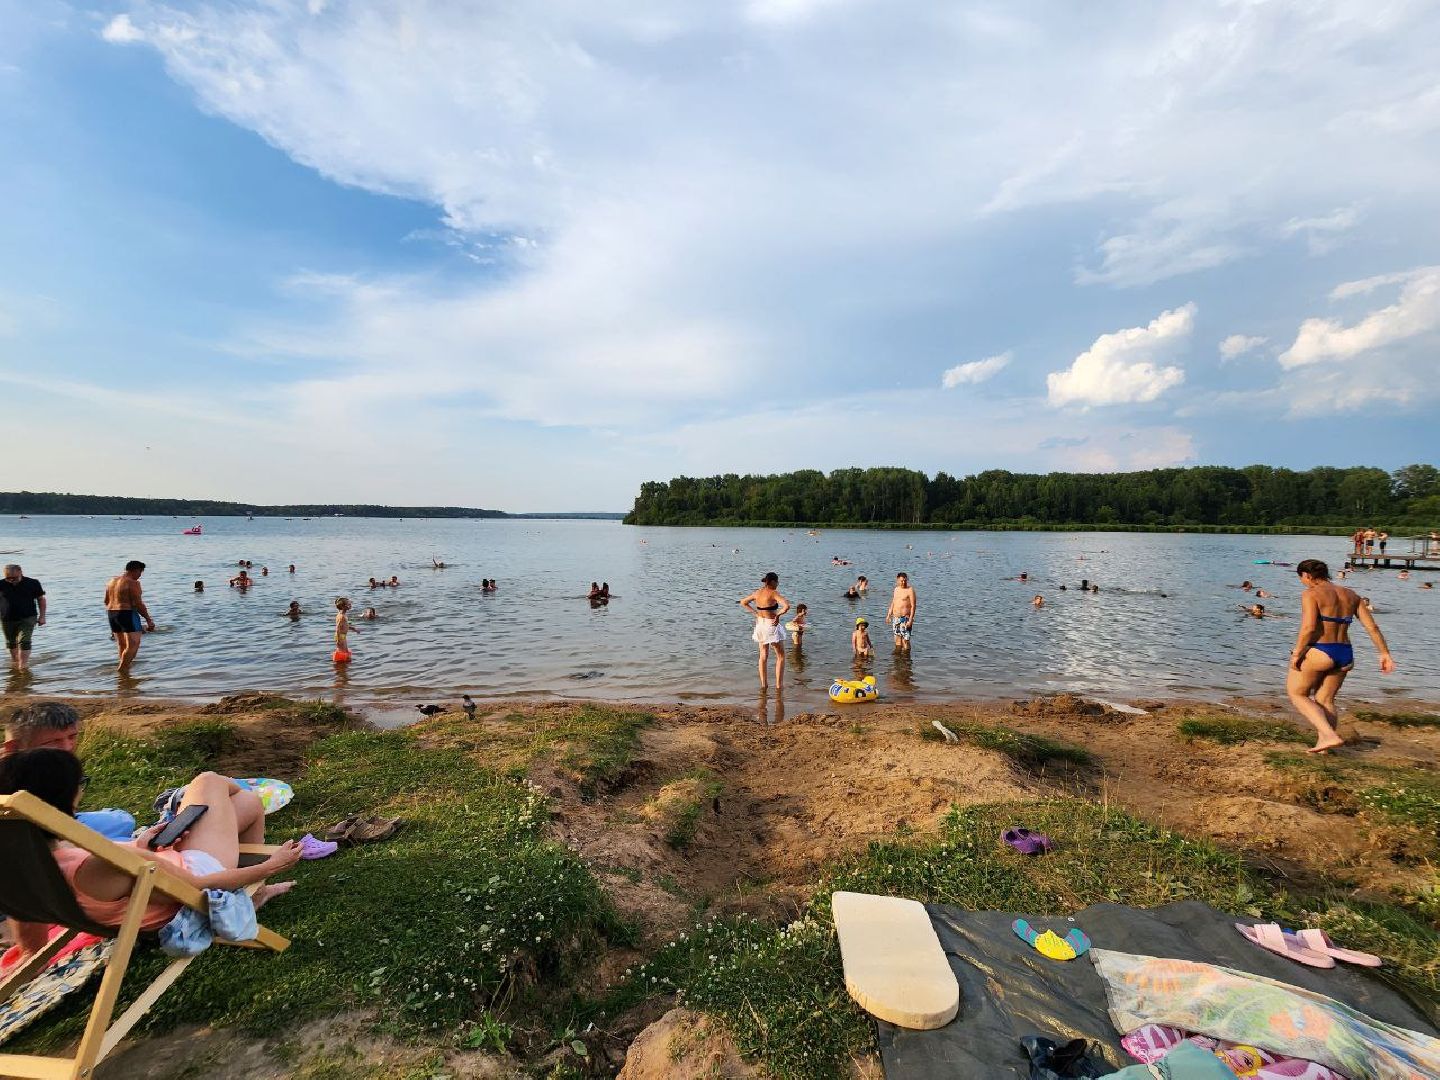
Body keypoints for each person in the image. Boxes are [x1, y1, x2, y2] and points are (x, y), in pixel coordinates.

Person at [0, 749, 301, 958]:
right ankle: (256, 894)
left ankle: (256, 892)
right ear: (64, 797)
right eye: (80, 784)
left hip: (155, 878)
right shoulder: (89, 869)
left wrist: (140, 849)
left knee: (246, 804)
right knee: (209, 781)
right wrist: (271, 866)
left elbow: (122, 877)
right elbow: (199, 887)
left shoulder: (30, 859)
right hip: (193, 884)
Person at [1287, 558, 1394, 754]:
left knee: (1297, 693)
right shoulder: (1351, 595)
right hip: (1345, 652)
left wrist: (1297, 653)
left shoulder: (1310, 594)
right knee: (1325, 699)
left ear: (1307, 575)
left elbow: (1309, 627)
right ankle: (1324, 746)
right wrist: (1384, 653)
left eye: (1301, 578)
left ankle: (1329, 735)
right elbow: (1372, 627)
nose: (1302, 582)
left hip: (1321, 650)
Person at [739, 572, 790, 690]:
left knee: (763, 656)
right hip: (771, 624)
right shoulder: (773, 593)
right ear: (772, 582)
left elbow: (743, 602)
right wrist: (778, 615)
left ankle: (764, 685)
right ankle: (779, 686)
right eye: (777, 581)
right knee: (781, 656)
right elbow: (786, 606)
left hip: (760, 625)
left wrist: (755, 613)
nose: (778, 584)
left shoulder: (757, 592)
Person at [104, 560, 154, 672]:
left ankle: (125, 672)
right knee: (133, 645)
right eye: (140, 572)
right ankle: (122, 670)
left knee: (122, 645)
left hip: (112, 614)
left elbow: (106, 601)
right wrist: (148, 620)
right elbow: (139, 604)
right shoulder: (133, 583)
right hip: (127, 614)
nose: (140, 576)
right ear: (136, 570)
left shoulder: (111, 581)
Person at [1, 564, 46, 671]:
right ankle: (15, 662)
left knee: (25, 641)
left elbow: (41, 599)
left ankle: (23, 666)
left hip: (28, 617)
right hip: (7, 618)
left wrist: (42, 616)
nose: (11, 580)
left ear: (20, 572)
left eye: (14, 578)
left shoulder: (33, 583)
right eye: (8, 578)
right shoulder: (0, 584)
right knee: (11, 642)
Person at [885, 572, 916, 651]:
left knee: (905, 640)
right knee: (897, 640)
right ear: (898, 580)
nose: (903, 582)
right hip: (896, 618)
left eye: (905, 580)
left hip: (905, 619)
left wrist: (910, 620)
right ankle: (898, 657)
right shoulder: (896, 589)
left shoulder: (910, 590)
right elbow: (893, 602)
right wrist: (889, 615)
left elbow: (913, 606)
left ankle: (906, 656)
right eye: (902, 581)